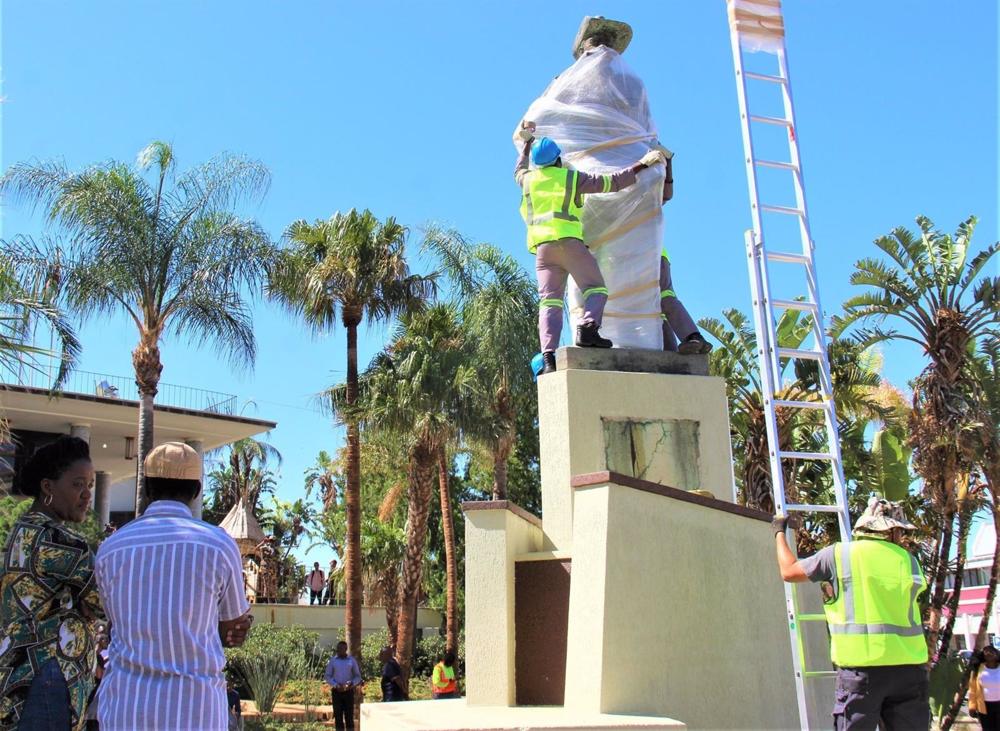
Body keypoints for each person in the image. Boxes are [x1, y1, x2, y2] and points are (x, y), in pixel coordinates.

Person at [94, 442, 253, 730]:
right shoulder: (218, 544)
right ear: (195, 491)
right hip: (196, 709)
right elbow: (233, 626)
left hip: (126, 709)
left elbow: (114, 621)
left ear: (147, 489)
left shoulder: (111, 548)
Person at [515, 121, 666, 374]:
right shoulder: (570, 178)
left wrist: (527, 143)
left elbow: (518, 168)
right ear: (557, 159)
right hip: (569, 244)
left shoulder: (528, 180)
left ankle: (548, 355)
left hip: (543, 251)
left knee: (549, 302)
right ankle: (587, 327)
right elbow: (613, 183)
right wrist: (644, 163)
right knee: (596, 289)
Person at [773, 496, 929, 730]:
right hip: (909, 670)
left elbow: (788, 571)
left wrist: (778, 533)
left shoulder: (839, 555)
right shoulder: (910, 562)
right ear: (894, 531)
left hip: (862, 671)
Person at [0, 436, 103, 731]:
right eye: (77, 484)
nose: (87, 495)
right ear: (47, 487)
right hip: (49, 677)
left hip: (16, 680)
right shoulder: (64, 543)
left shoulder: (20, 532)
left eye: (91, 486)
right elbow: (109, 602)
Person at [324, 641, 361, 731]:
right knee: (338, 717)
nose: (339, 650)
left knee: (349, 717)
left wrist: (351, 683)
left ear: (346, 649)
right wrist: (336, 685)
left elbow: (358, 676)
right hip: (337, 692)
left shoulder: (351, 660)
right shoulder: (333, 661)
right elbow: (327, 675)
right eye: (338, 648)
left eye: (341, 648)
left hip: (348, 692)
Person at [970, 645, 1000, 730]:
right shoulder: (977, 669)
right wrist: (972, 706)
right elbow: (972, 690)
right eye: (985, 651)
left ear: (997, 655)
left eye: (991, 651)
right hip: (984, 706)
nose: (988, 653)